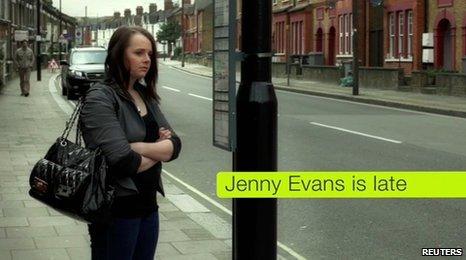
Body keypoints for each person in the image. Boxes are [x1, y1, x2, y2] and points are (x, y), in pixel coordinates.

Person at [79, 26, 182, 260]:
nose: (147, 60)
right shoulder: (99, 97)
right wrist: (158, 150)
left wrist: (139, 148)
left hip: (148, 206)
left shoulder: (143, 93)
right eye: (138, 53)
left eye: (149, 54)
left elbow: (175, 146)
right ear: (118, 55)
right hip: (116, 210)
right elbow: (123, 162)